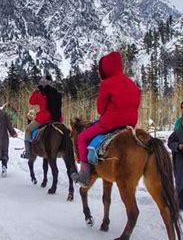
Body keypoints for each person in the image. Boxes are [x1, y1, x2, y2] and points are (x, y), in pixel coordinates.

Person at [71, 51, 141, 187]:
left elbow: (100, 109)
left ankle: (84, 175)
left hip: (110, 123)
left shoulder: (107, 84)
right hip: (130, 124)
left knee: (82, 138)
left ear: (106, 68)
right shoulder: (132, 83)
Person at [22, 75, 62, 159]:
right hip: (57, 118)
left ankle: (28, 153)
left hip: (43, 118)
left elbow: (31, 102)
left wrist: (35, 91)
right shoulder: (56, 92)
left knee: (28, 130)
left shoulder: (40, 93)